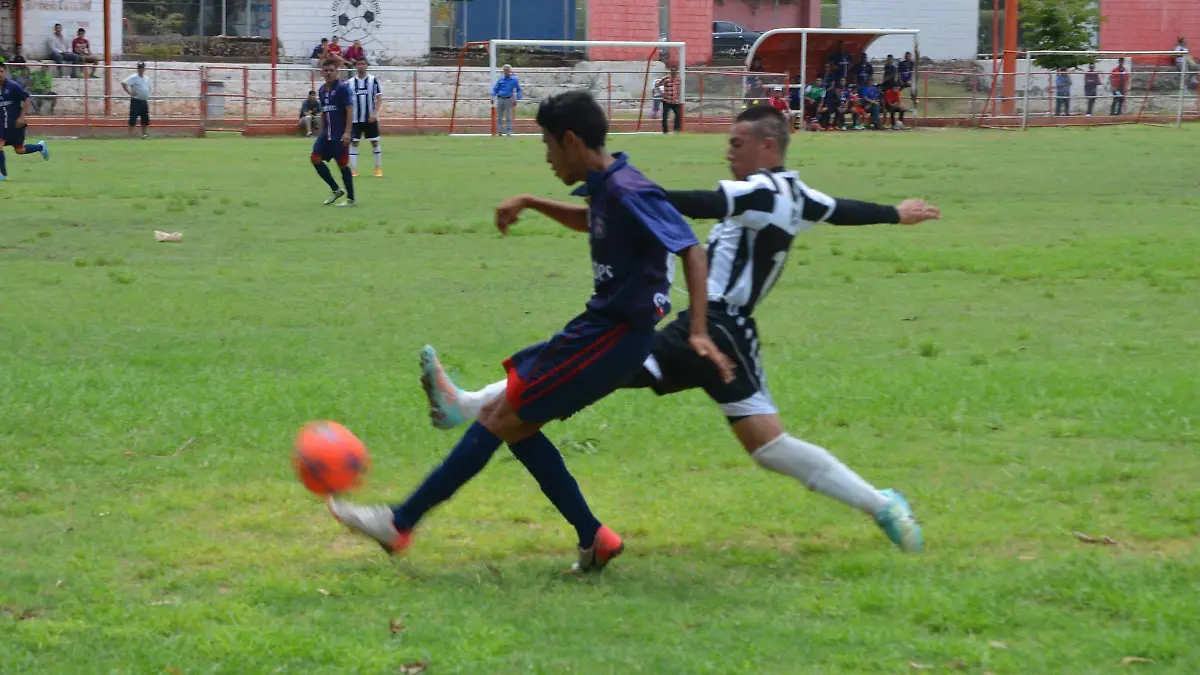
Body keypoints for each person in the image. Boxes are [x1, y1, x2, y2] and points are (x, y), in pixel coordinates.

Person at [422, 105, 937, 554]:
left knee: (593, 361)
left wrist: (629, 194)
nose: (729, 153)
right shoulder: (798, 196)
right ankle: (881, 505)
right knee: (769, 447)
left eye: (737, 144)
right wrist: (895, 213)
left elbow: (701, 204)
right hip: (727, 330)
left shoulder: (760, 193)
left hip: (713, 326)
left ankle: (464, 406)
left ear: (767, 144)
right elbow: (844, 211)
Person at [326, 90, 734, 572]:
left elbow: (691, 247)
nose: (546, 157)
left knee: (498, 418)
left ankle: (401, 523)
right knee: (517, 424)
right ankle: (594, 536)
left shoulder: (629, 188)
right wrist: (533, 202)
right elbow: (594, 221)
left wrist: (700, 331)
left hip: (612, 336)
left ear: (571, 140)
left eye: (547, 145)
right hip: (598, 332)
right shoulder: (610, 187)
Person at [310, 59, 356, 206]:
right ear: (322, 72)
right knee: (315, 157)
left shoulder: (343, 88)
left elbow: (349, 109)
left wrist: (348, 132)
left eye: (332, 70)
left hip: (340, 134)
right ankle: (336, 189)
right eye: (326, 70)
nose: (329, 73)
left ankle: (351, 198)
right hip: (326, 134)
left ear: (337, 71)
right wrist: (321, 130)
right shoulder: (322, 90)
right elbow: (324, 112)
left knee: (342, 164)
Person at [0, 63, 50, 181]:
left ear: (5, 72)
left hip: (15, 123)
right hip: (2, 124)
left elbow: (26, 98)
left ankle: (40, 147)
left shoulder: (12, 86)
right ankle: (3, 174)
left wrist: (22, 117)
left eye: (1, 71)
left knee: (19, 150)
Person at [348, 57, 383, 177]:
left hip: (370, 118)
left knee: (374, 142)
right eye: (358, 63)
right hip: (355, 119)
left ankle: (378, 168)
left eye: (363, 64)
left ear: (366, 65)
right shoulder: (351, 82)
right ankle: (354, 169)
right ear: (356, 66)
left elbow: (379, 98)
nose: (361, 66)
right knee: (354, 143)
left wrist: (374, 113)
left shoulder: (373, 80)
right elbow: (347, 101)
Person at [121, 61, 152, 139]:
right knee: (133, 118)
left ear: (144, 69)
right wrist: (129, 92)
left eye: (142, 68)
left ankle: (144, 135)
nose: (140, 69)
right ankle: (130, 136)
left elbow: (148, 87)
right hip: (136, 100)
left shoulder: (147, 78)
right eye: (139, 68)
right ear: (137, 69)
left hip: (144, 100)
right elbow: (124, 83)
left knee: (145, 118)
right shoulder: (133, 77)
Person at [491, 64, 521, 137]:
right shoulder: (501, 79)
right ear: (503, 71)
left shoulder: (514, 80)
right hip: (500, 98)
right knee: (499, 117)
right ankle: (500, 132)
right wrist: (493, 96)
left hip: (509, 99)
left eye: (508, 70)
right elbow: (496, 88)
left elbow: (518, 90)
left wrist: (517, 99)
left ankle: (508, 132)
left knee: (508, 117)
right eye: (505, 70)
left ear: (510, 71)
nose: (506, 72)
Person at [661, 65, 681, 134]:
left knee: (678, 115)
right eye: (672, 71)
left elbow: (678, 88)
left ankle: (676, 129)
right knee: (665, 117)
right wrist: (662, 93)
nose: (674, 72)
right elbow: (658, 85)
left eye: (675, 71)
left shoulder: (678, 79)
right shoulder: (666, 78)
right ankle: (665, 131)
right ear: (671, 71)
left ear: (677, 71)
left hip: (675, 101)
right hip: (667, 101)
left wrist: (677, 95)